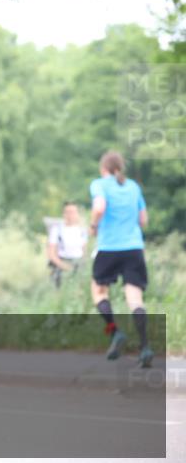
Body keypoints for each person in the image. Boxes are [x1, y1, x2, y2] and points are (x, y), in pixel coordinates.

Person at [89, 151, 152, 367]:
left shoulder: (99, 184)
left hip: (109, 247)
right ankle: (145, 347)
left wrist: (93, 226)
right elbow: (143, 220)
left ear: (103, 168)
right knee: (135, 299)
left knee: (99, 292)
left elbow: (99, 207)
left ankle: (114, 331)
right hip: (134, 248)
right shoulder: (133, 187)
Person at [46, 201, 88, 288]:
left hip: (78, 264)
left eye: (73, 212)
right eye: (67, 212)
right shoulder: (57, 230)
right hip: (61, 263)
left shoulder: (82, 230)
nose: (70, 215)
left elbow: (85, 251)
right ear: (63, 214)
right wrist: (65, 266)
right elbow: (51, 253)